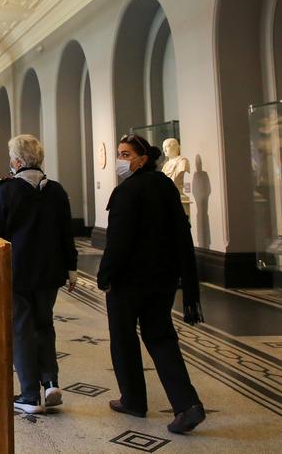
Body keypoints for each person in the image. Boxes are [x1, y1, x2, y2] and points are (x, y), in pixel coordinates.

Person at [98, 134, 205, 434]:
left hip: (128, 280)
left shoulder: (127, 191)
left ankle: (133, 399)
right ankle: (187, 404)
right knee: (160, 337)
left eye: (126, 154)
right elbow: (181, 230)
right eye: (119, 154)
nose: (120, 160)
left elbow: (118, 240)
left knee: (123, 338)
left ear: (142, 159)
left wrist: (105, 275)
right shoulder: (164, 186)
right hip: (163, 277)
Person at [0, 134, 77, 414]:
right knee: (44, 324)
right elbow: (67, 232)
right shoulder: (57, 190)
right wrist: (72, 268)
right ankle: (50, 382)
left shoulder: (6, 191)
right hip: (50, 271)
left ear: (16, 161)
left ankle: (29, 396)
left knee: (21, 329)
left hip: (19, 271)